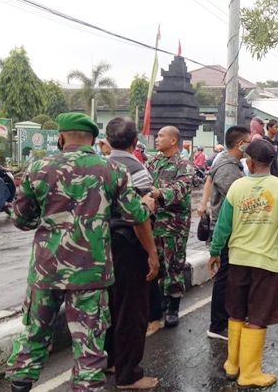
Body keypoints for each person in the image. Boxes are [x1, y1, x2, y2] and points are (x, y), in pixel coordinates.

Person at [5, 113, 155, 392]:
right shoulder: (112, 170)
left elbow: (21, 220)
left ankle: (20, 385)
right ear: (95, 141)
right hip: (91, 271)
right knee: (89, 345)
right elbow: (134, 215)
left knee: (35, 335)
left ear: (61, 137)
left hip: (45, 270)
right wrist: (147, 203)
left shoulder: (38, 168)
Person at [208, 139, 278, 389]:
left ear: (249, 162)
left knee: (236, 311)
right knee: (257, 316)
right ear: (271, 162)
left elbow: (223, 225)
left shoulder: (237, 187)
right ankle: (250, 373)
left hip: (238, 260)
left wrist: (215, 251)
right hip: (266, 263)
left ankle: (232, 364)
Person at [104, 117, 160, 390]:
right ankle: (129, 375)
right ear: (135, 142)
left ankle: (112, 360)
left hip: (101, 246)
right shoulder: (137, 171)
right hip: (129, 246)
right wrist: (152, 253)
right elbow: (140, 219)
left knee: (110, 305)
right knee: (132, 310)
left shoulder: (99, 167)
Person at [197, 126, 250, 341]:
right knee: (224, 276)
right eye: (248, 141)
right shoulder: (228, 166)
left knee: (228, 276)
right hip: (225, 228)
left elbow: (209, 180)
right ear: (240, 144)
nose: (250, 145)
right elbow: (240, 198)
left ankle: (225, 318)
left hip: (227, 227)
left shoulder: (228, 161)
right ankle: (217, 324)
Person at [146, 126, 195, 328]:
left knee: (173, 265)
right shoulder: (152, 162)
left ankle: (173, 307)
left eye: (161, 136)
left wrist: (159, 193)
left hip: (174, 225)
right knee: (155, 264)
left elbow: (182, 187)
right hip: (153, 222)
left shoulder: (183, 164)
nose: (157, 139)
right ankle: (160, 305)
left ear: (173, 140)